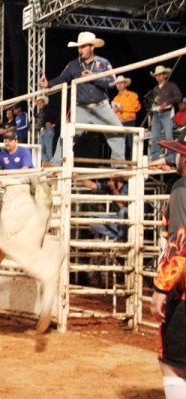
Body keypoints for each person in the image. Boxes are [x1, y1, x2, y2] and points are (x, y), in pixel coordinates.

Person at [39, 31, 125, 166]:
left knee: (118, 131)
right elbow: (63, 78)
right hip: (80, 108)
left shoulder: (103, 63)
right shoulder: (73, 64)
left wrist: (94, 78)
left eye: (83, 46)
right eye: (79, 47)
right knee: (66, 134)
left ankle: (119, 167)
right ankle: (55, 164)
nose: (80, 50)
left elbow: (112, 82)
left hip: (101, 106)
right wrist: (48, 84)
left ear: (92, 47)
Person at [150, 130, 186, 398]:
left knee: (173, 366)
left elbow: (180, 246)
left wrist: (161, 288)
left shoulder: (181, 189)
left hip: (183, 294)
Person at [149, 65, 183, 161]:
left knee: (168, 136)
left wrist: (167, 102)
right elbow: (153, 104)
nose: (158, 77)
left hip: (167, 113)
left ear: (165, 75)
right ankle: (154, 160)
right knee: (155, 137)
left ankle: (171, 159)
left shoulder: (171, 85)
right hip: (156, 114)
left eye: (160, 75)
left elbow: (179, 97)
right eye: (157, 75)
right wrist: (151, 117)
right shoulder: (155, 89)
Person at [82, 177, 128, 242]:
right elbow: (93, 185)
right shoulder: (111, 185)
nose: (110, 177)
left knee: (123, 211)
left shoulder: (128, 186)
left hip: (127, 217)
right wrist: (78, 177)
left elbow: (122, 205)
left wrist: (113, 188)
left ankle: (121, 238)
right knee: (93, 220)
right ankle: (119, 237)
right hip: (118, 219)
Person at [112, 75, 141, 159]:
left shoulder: (132, 95)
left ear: (125, 84)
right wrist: (113, 111)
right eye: (118, 83)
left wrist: (123, 108)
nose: (119, 85)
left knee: (131, 142)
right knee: (119, 143)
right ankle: (120, 162)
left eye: (121, 83)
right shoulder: (116, 98)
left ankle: (134, 160)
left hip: (129, 121)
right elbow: (115, 110)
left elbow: (136, 107)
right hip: (119, 122)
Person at [34, 95, 57, 163]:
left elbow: (58, 115)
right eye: (38, 103)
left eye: (41, 102)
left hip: (48, 130)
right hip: (43, 130)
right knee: (39, 148)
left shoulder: (49, 109)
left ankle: (50, 163)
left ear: (44, 102)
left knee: (48, 149)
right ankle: (46, 162)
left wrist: (54, 124)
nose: (39, 104)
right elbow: (34, 114)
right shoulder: (41, 111)